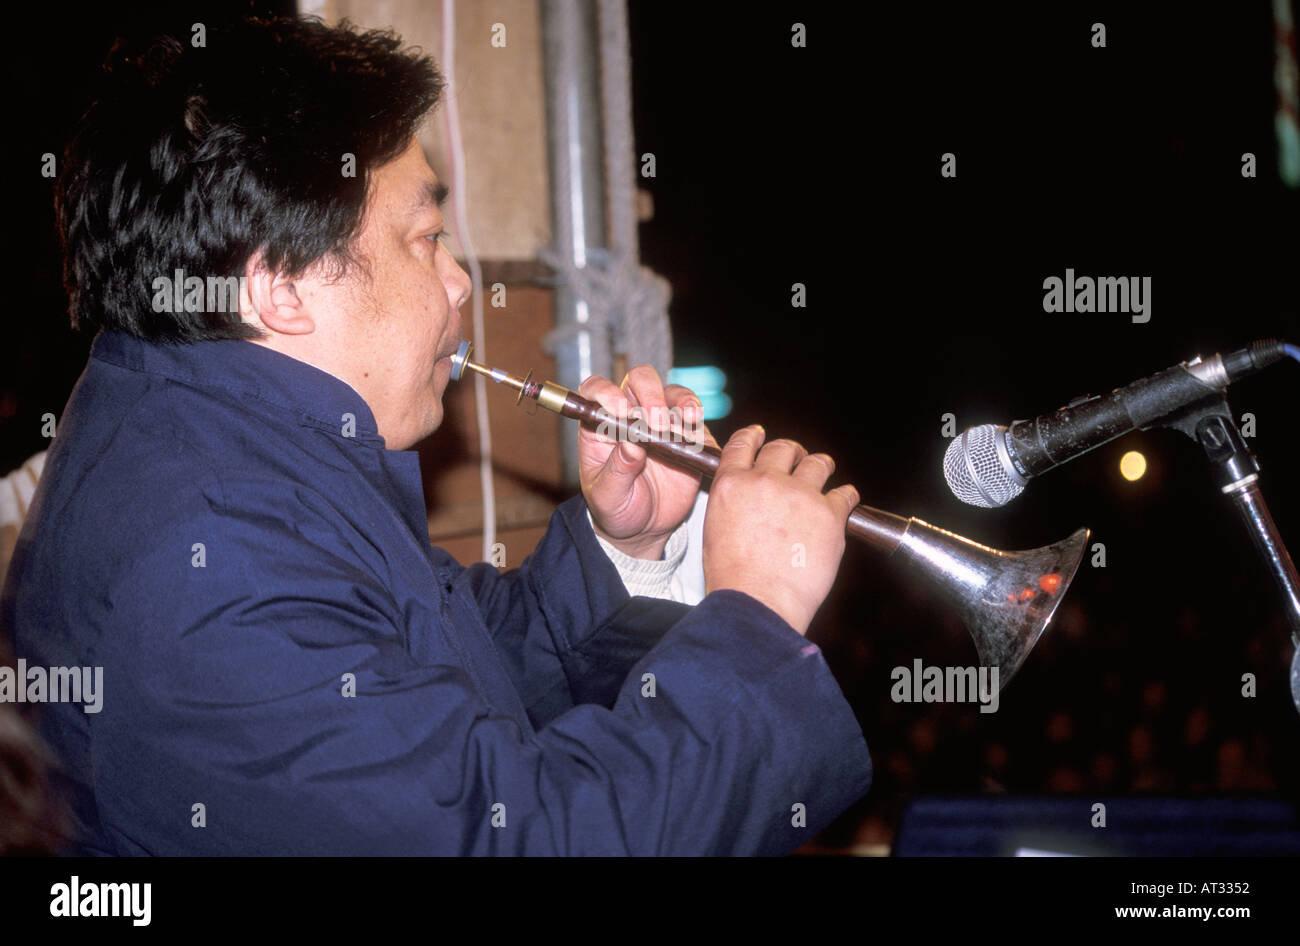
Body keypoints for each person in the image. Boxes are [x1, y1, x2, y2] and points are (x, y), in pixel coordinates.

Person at [0, 15, 871, 855]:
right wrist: (755, 612)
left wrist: (623, 545)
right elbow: (527, 840)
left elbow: (437, 671)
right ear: (281, 290)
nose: (459, 283)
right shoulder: (208, 564)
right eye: (427, 238)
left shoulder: (221, 442)